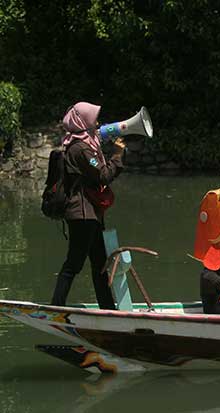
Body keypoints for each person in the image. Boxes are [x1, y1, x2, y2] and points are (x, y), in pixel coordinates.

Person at [51, 102, 125, 309]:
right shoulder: (82, 149)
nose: (98, 123)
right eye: (94, 119)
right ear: (82, 121)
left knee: (100, 266)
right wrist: (117, 155)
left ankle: (108, 309)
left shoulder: (80, 143)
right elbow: (103, 175)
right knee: (73, 265)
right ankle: (56, 307)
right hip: (82, 214)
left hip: (91, 214)